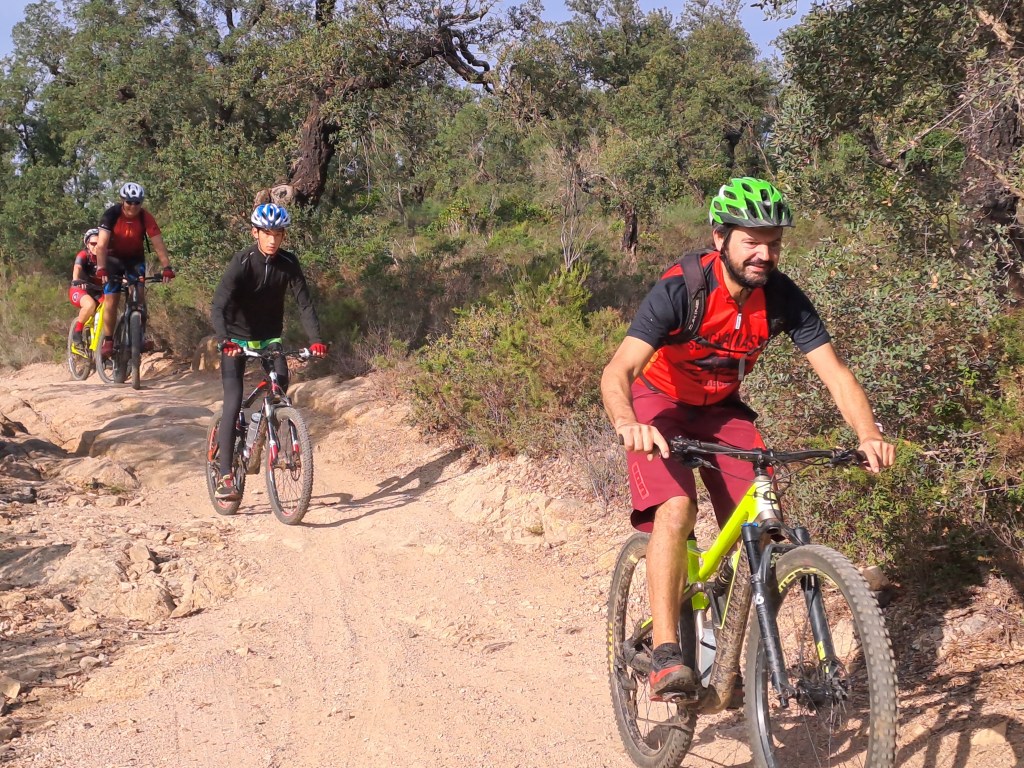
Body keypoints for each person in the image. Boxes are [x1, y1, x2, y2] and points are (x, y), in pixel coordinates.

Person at [600, 177, 895, 699]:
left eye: (774, 243)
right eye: (752, 241)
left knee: (763, 519)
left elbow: (835, 374)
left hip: (721, 411)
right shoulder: (682, 289)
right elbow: (618, 371)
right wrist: (628, 423)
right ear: (720, 238)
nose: (764, 254)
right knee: (676, 510)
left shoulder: (781, 296)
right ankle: (666, 653)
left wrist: (868, 433)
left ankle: (725, 638)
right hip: (658, 406)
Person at [210, 203, 328, 501]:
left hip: (269, 338)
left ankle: (268, 429)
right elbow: (219, 304)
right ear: (255, 233)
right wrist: (224, 339)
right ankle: (225, 475)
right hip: (236, 341)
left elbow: (304, 303)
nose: (272, 240)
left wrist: (316, 340)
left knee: (281, 384)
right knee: (233, 401)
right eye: (267, 233)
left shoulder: (288, 263)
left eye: (278, 234)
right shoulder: (242, 261)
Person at [94, 182, 175, 359]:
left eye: (137, 202)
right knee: (111, 299)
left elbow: (158, 243)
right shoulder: (111, 215)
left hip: (134, 259)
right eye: (129, 202)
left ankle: (140, 336)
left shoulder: (145, 217)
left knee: (139, 296)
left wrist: (167, 267)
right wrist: (101, 268)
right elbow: (101, 245)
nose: (133, 206)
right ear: (122, 201)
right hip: (113, 259)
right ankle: (108, 340)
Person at [69, 228, 104, 346]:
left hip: (97, 291)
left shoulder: (106, 257)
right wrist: (76, 280)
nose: (96, 246)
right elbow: (77, 267)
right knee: (90, 305)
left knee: (109, 308)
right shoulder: (83, 255)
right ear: (87, 244)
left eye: (99, 243)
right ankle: (77, 331)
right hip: (80, 289)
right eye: (93, 243)